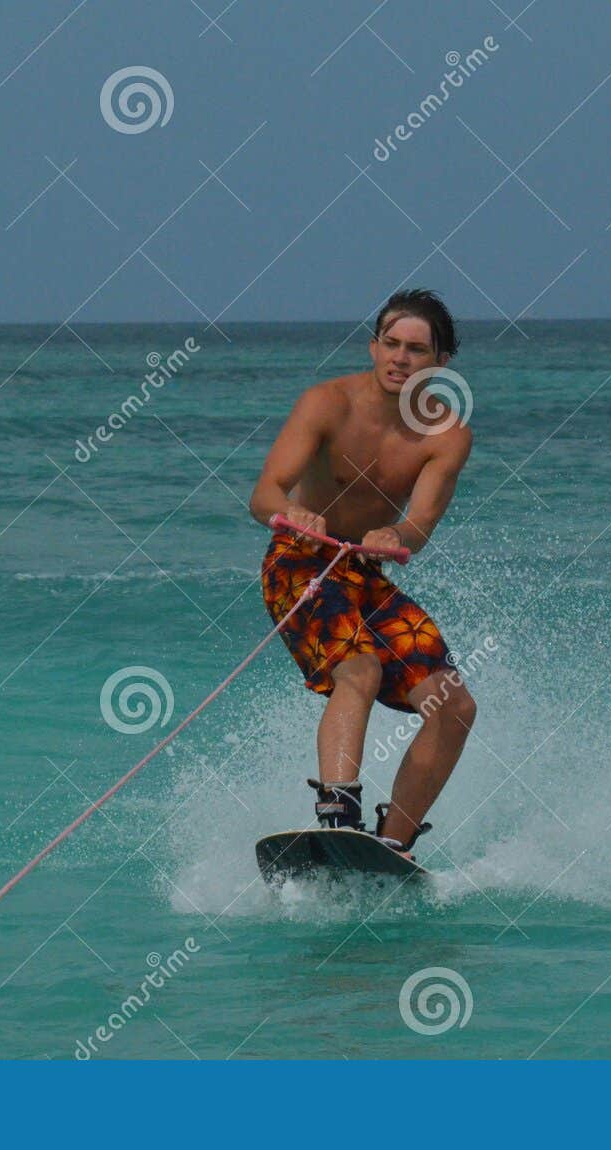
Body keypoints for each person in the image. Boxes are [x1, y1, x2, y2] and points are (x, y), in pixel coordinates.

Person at [248, 289, 475, 859]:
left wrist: (396, 535)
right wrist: (291, 513)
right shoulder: (326, 403)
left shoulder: (448, 436)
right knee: (361, 667)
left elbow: (420, 523)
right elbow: (264, 494)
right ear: (374, 347)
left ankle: (392, 844)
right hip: (299, 561)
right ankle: (338, 812)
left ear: (441, 362)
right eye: (391, 344)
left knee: (454, 706)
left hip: (364, 573)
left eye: (416, 350)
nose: (400, 358)